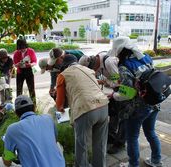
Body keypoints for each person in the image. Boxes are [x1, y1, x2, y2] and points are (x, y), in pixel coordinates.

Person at [109, 37, 162, 167]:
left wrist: (114, 95)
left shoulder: (124, 66)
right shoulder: (146, 58)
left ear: (119, 51)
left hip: (138, 108)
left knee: (132, 137)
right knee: (150, 132)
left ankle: (133, 164)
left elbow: (128, 93)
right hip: (153, 102)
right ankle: (156, 160)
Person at [56, 54, 109, 167]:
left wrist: (60, 106)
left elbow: (59, 105)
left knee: (82, 145)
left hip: (85, 108)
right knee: (100, 144)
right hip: (103, 106)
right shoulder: (88, 70)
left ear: (64, 65)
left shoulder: (63, 75)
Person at [79, 51, 125, 154]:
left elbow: (119, 82)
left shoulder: (108, 62)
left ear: (93, 63)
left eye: (91, 69)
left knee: (123, 116)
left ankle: (120, 143)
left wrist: (108, 85)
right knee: (114, 112)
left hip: (125, 91)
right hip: (116, 89)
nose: (93, 71)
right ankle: (112, 136)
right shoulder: (99, 62)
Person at [0, 95, 65, 167]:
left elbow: (7, 162)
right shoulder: (48, 118)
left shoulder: (12, 129)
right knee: (58, 145)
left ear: (16, 113)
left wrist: (7, 147)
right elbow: (55, 141)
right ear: (34, 108)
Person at [13, 39, 37, 106]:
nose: (22, 50)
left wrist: (30, 64)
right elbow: (15, 64)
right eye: (20, 49)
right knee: (19, 89)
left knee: (31, 89)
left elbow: (34, 61)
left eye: (24, 48)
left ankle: (34, 105)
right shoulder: (16, 53)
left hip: (29, 70)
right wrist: (18, 64)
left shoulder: (31, 51)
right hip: (20, 71)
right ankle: (18, 105)